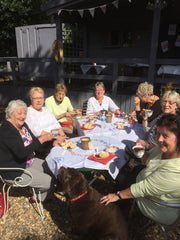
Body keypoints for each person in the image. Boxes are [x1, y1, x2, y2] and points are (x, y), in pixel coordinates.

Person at [101, 114, 180, 225]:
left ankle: (119, 214)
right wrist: (140, 151)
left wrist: (117, 195)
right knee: (132, 168)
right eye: (158, 134)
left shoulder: (176, 171)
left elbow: (142, 189)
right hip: (148, 179)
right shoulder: (164, 149)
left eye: (165, 136)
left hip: (158, 205)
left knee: (121, 178)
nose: (159, 139)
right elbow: (149, 161)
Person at [0, 100, 56, 202]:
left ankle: (37, 190)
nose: (23, 116)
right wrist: (41, 139)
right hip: (15, 170)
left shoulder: (23, 125)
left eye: (24, 113)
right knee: (49, 181)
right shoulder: (7, 130)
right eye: (19, 113)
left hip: (28, 161)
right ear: (10, 114)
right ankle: (38, 197)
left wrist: (52, 142)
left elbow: (35, 143)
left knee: (53, 167)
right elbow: (21, 153)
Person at [124, 90, 180, 165]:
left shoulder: (175, 122)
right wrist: (145, 117)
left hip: (154, 152)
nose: (166, 104)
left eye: (170, 102)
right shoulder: (161, 115)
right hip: (147, 143)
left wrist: (146, 145)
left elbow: (165, 146)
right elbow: (147, 129)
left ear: (176, 105)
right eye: (164, 101)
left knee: (124, 144)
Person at [25, 87, 66, 151]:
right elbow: (37, 132)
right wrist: (57, 137)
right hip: (44, 142)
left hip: (56, 136)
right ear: (31, 99)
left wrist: (63, 136)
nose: (39, 100)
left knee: (76, 140)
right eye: (36, 98)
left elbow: (56, 124)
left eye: (41, 98)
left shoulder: (45, 109)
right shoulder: (29, 112)